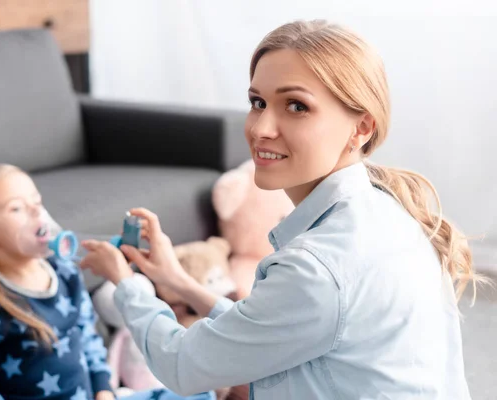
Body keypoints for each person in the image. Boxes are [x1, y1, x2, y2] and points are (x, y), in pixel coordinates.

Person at [78, 20, 484, 400]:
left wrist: (124, 281)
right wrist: (178, 282)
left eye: (296, 106)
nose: (259, 128)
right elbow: (273, 324)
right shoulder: (386, 209)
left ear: (361, 127)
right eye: (257, 102)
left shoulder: (319, 267)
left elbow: (184, 364)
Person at [0, 164, 215, 400]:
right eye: (17, 208)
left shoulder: (63, 272)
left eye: (37, 202)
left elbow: (88, 337)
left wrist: (104, 390)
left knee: (202, 392)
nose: (37, 213)